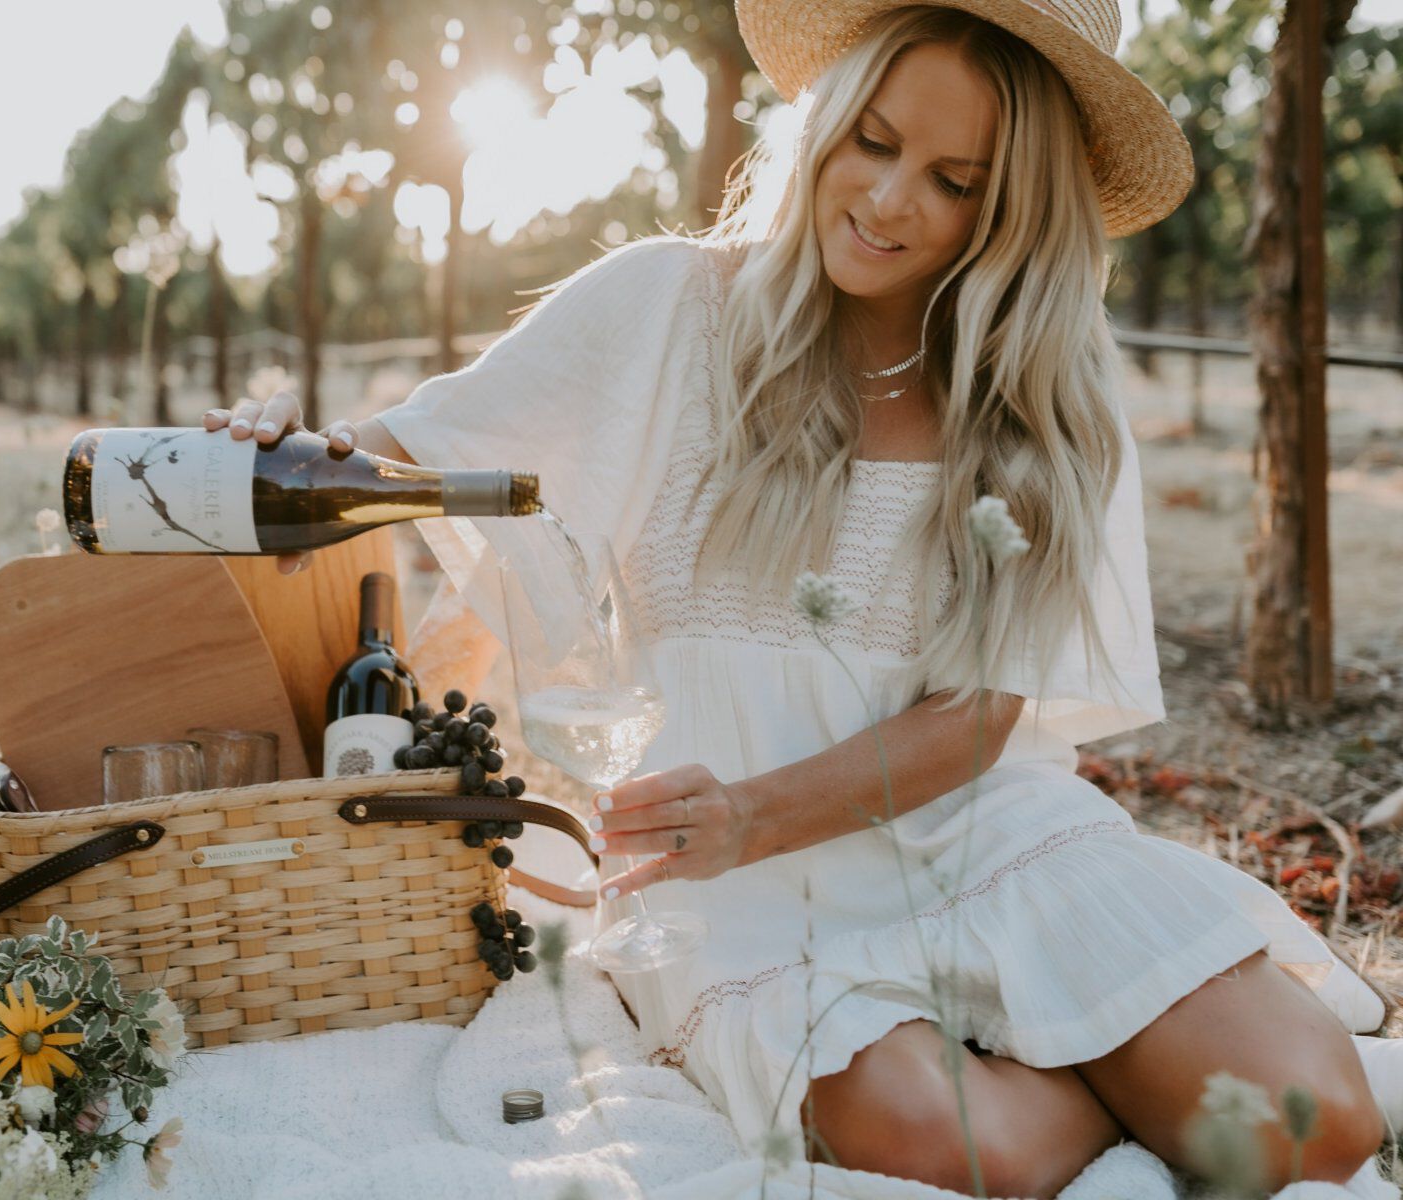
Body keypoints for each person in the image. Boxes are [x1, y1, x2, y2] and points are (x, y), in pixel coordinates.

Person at [203, 2, 1398, 1194]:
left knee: (1312, 1125)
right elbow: (397, 466)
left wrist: (758, 811)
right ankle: (1088, 1066)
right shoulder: (670, 306)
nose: (887, 201)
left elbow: (978, 718)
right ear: (826, 120)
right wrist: (277, 443)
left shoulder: (1043, 399)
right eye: (873, 142)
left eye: (954, 181)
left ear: (1014, 212)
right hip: (727, 885)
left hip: (973, 832)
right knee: (951, 1146)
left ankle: (1087, 1042)